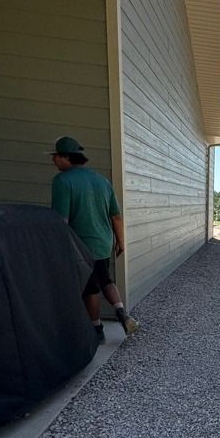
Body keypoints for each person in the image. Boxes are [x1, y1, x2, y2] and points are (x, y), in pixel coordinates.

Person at [50, 136, 138, 340]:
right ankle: (122, 314)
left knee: (90, 289)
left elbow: (60, 221)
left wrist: (54, 248)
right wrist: (120, 241)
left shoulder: (62, 181)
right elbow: (116, 216)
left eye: (55, 156)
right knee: (104, 279)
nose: (53, 161)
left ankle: (96, 330)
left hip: (80, 245)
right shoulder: (102, 181)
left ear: (65, 157)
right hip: (103, 242)